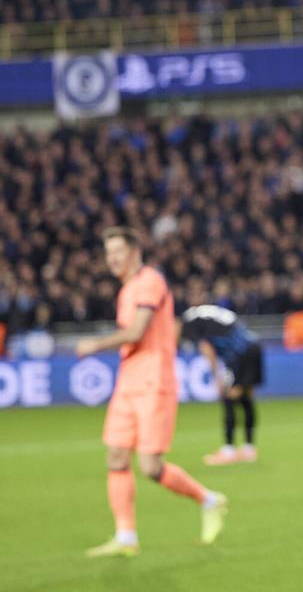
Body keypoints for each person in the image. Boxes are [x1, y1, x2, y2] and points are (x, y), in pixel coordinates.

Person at [76, 227, 227, 557]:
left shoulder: (150, 281)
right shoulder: (126, 290)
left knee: (150, 467)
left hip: (153, 383)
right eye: (108, 253)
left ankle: (209, 500)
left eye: (118, 251)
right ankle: (126, 537)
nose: (112, 259)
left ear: (135, 252)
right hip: (128, 381)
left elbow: (136, 331)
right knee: (116, 456)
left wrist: (95, 345)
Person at [179, 304, 265, 465]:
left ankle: (229, 450)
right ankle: (249, 450)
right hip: (253, 346)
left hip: (238, 353)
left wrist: (216, 378)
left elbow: (208, 350)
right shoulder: (203, 313)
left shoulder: (189, 323)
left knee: (228, 398)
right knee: (246, 398)